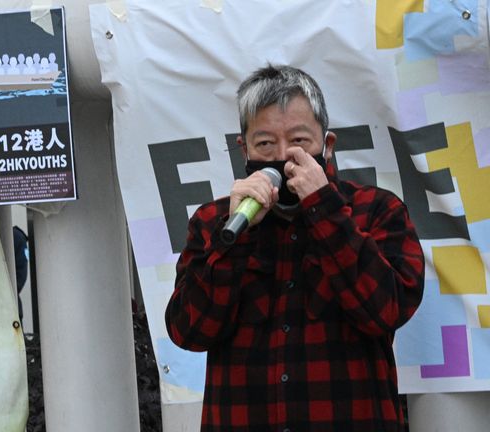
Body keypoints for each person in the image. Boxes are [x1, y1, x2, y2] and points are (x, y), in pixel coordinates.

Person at [165, 65, 424, 431]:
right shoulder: (215, 221)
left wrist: (324, 209)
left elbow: (386, 310)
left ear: (327, 146)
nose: (283, 156)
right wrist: (235, 238)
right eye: (266, 144)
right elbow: (189, 331)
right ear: (244, 150)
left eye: (299, 142)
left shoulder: (377, 211)